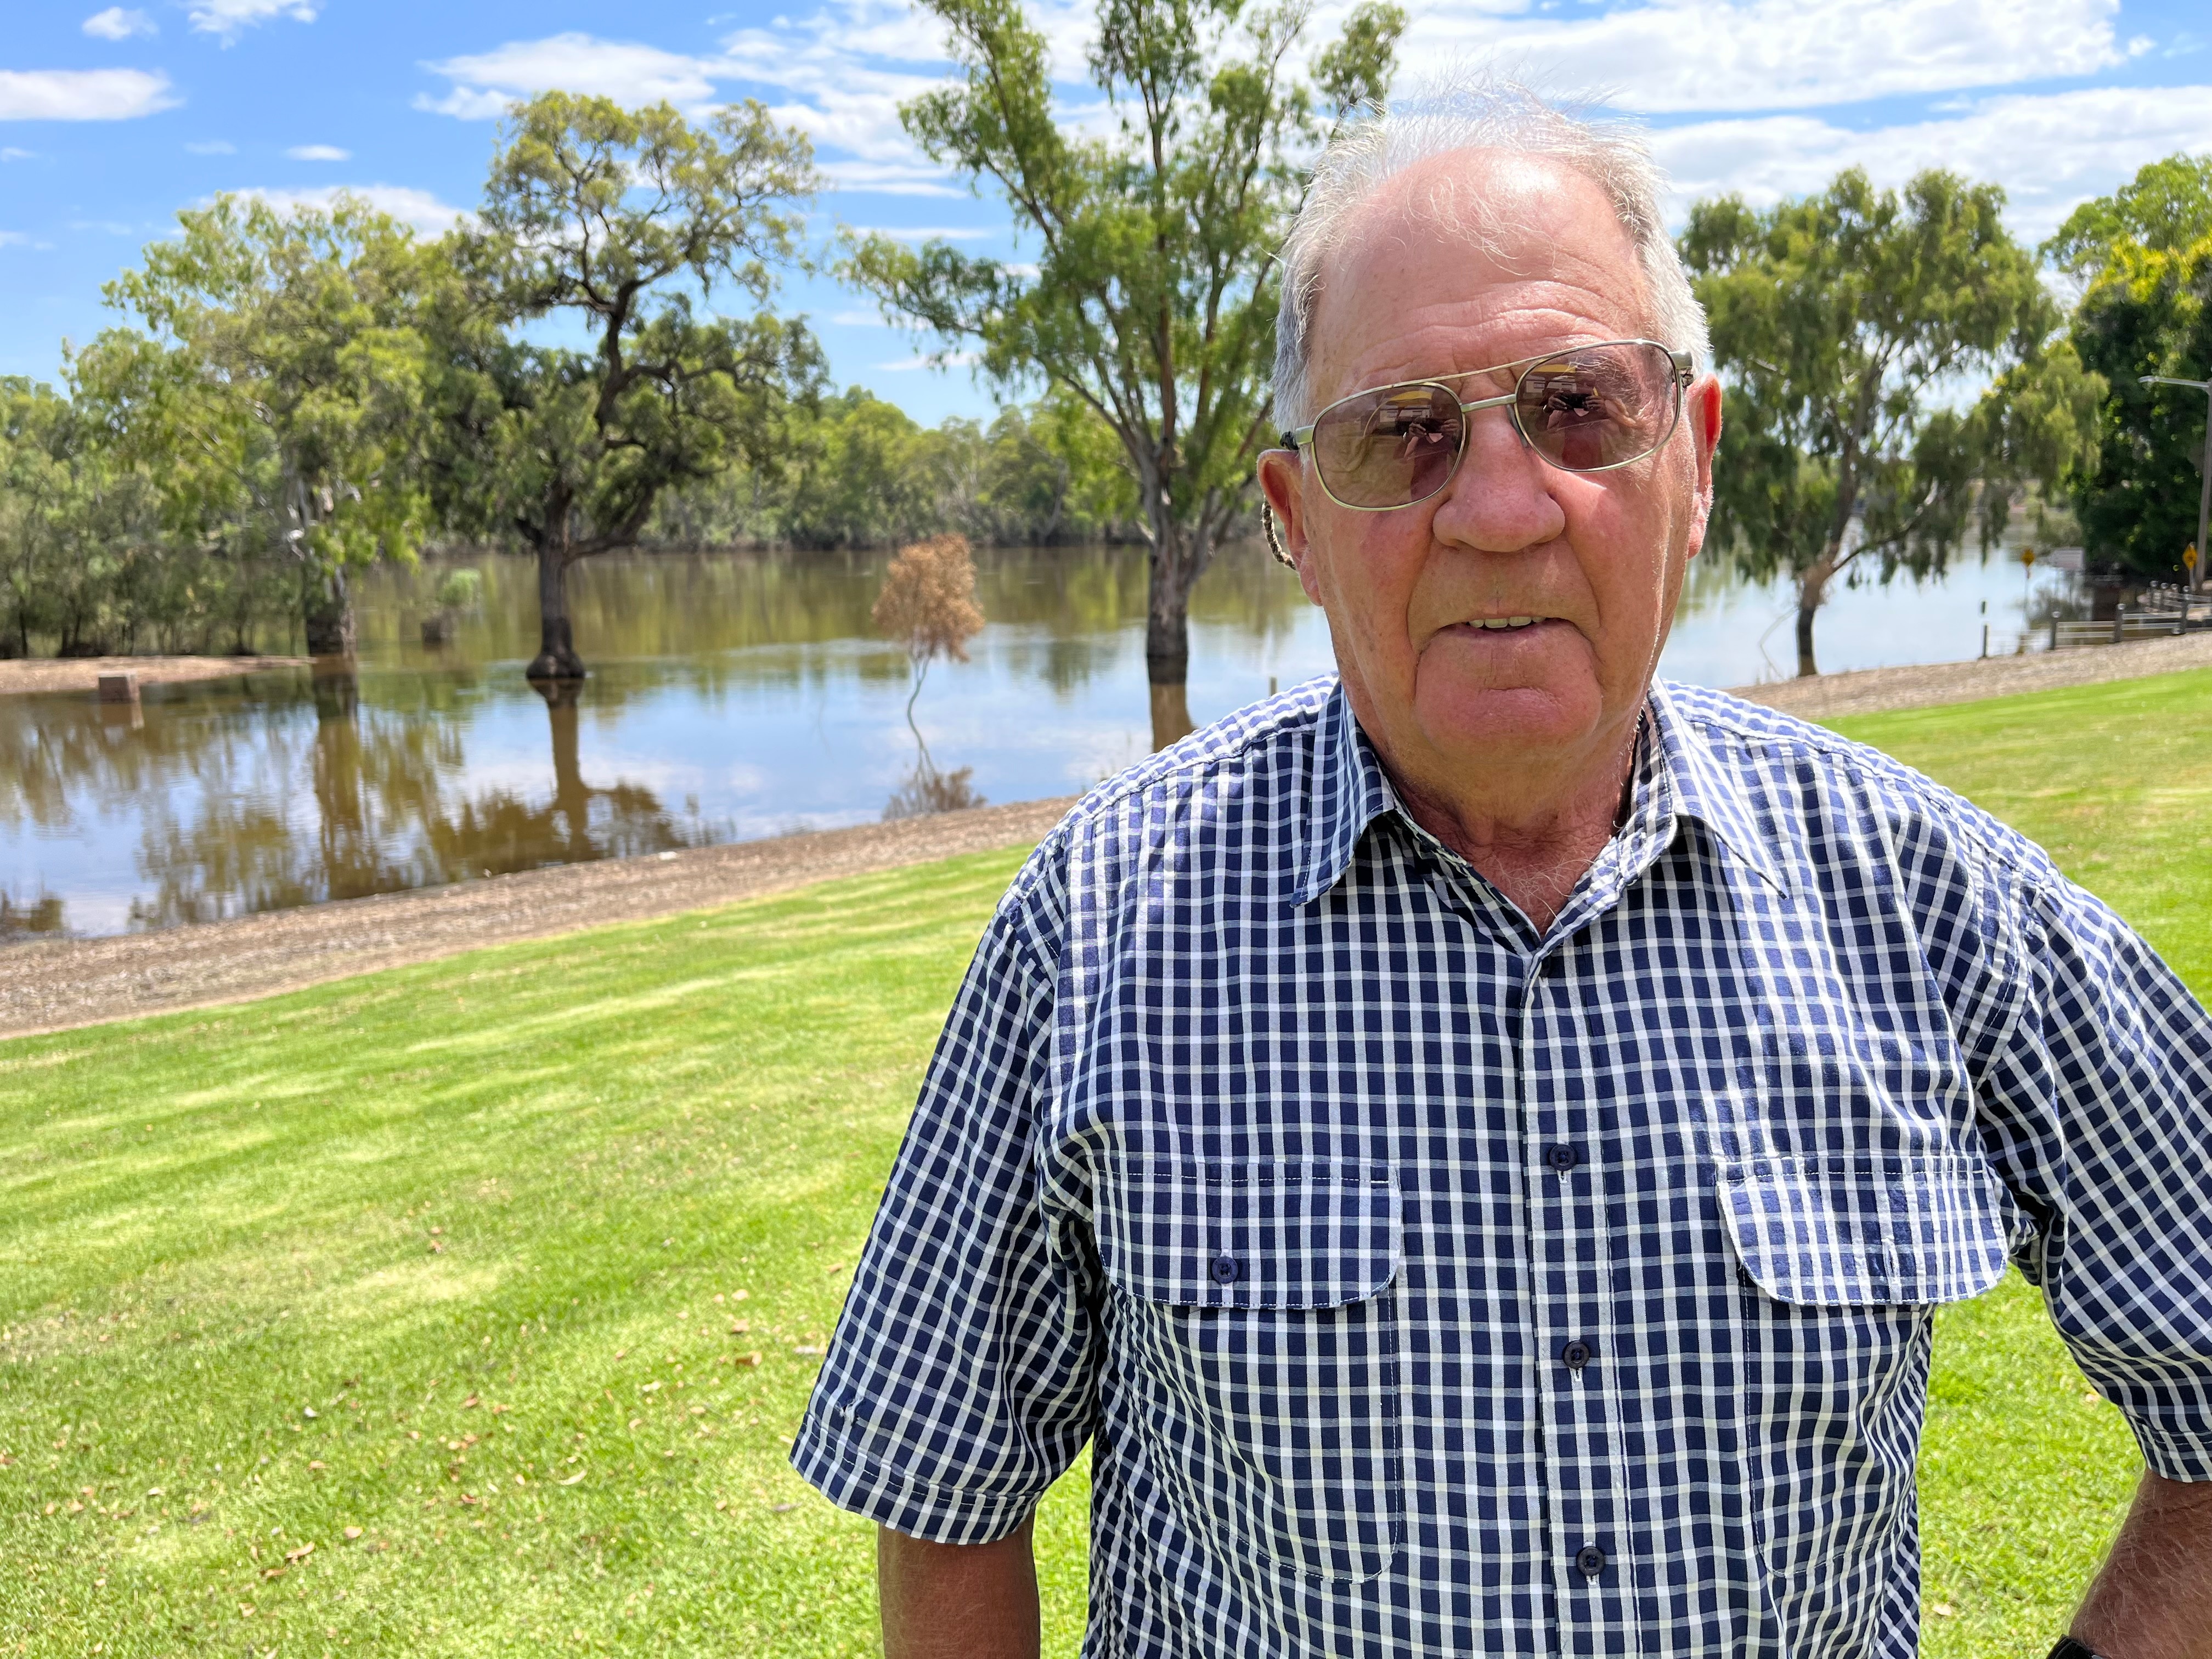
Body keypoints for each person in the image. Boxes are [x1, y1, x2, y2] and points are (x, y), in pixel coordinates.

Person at [792, 80, 2212, 1659]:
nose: (1496, 505)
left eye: (1579, 408)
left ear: (1698, 457)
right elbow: (945, 1491)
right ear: (1294, 523)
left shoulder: (1928, 901)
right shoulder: (1105, 924)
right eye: (1399, 438)